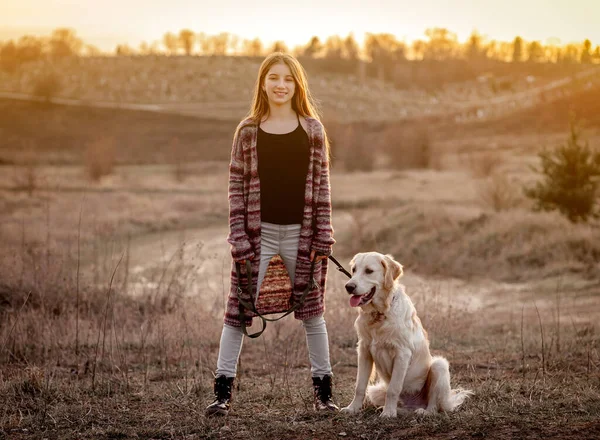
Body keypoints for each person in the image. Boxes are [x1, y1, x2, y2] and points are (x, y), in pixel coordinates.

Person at [206, 52, 338, 416]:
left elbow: (322, 186)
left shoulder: (312, 129)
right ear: (263, 83)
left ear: (298, 85)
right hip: (257, 234)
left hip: (303, 234)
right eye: (274, 78)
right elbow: (235, 185)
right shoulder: (247, 131)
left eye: (288, 79)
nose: (281, 85)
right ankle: (222, 393)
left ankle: (324, 394)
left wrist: (323, 235)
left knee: (313, 313)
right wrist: (238, 237)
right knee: (237, 311)